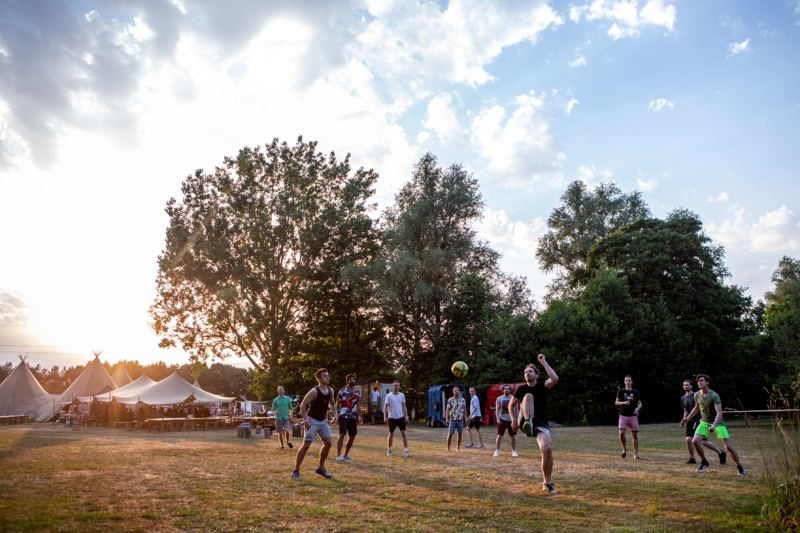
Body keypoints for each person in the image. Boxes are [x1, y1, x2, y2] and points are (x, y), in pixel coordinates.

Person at [509, 354, 560, 494]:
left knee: (547, 449)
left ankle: (546, 483)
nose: (527, 373)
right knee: (528, 396)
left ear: (536, 375)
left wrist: (543, 362)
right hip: (524, 419)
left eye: (530, 371)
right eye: (525, 372)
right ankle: (528, 424)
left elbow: (555, 379)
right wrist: (513, 419)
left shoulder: (541, 386)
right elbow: (511, 405)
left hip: (540, 421)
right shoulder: (521, 389)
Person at [681, 374, 745, 475]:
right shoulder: (697, 395)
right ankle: (704, 462)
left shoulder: (714, 395)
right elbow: (697, 407)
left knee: (728, 446)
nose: (699, 382)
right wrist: (688, 418)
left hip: (718, 423)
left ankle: (739, 467)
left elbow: (719, 413)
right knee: (695, 441)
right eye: (698, 381)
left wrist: (714, 425)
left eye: (701, 381)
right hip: (704, 422)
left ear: (707, 382)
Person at [291, 368, 337, 481]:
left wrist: (335, 414)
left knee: (328, 443)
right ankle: (295, 471)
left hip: (323, 421)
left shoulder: (331, 391)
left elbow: (333, 404)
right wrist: (306, 420)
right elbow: (302, 406)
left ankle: (320, 468)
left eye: (328, 375)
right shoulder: (314, 391)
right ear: (319, 379)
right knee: (306, 445)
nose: (328, 377)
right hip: (312, 420)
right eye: (325, 376)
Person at [681, 379, 724, 465]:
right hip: (690, 421)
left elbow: (700, 408)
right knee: (691, 440)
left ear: (691, 386)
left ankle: (720, 453)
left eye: (687, 385)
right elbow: (685, 410)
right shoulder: (683, 398)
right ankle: (692, 458)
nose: (685, 386)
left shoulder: (696, 395)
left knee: (696, 440)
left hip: (698, 421)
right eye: (684, 385)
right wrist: (684, 419)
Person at [335, 374, 362, 461]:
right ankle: (338, 455)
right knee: (342, 434)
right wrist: (335, 415)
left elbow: (358, 405)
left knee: (352, 436)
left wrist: (361, 417)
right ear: (347, 381)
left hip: (353, 416)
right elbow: (337, 404)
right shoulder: (342, 391)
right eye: (350, 379)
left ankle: (345, 454)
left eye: (353, 379)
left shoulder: (357, 391)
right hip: (343, 415)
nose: (352, 381)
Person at [615, 375, 642, 459]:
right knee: (621, 433)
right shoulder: (621, 391)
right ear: (624, 382)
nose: (628, 382)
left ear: (632, 382)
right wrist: (623, 403)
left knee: (634, 435)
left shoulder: (635, 392)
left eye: (629, 380)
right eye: (626, 380)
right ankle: (624, 449)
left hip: (633, 416)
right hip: (623, 415)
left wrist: (637, 409)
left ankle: (636, 454)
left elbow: (640, 404)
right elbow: (616, 402)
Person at [384, 380, 410, 457]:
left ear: (399, 386)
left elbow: (404, 406)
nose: (397, 387)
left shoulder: (402, 395)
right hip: (392, 417)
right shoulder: (389, 396)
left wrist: (406, 416)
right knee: (391, 434)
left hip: (400, 417)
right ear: (392, 386)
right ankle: (389, 449)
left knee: (403, 433)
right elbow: (385, 407)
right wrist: (385, 416)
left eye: (398, 385)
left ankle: (406, 450)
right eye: (395, 385)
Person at [493, 384, 518, 457]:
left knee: (512, 436)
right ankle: (497, 451)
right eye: (505, 389)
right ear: (503, 390)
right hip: (502, 419)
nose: (507, 390)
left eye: (508, 389)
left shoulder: (513, 398)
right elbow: (497, 410)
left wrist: (517, 419)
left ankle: (514, 451)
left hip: (511, 419)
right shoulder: (499, 399)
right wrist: (497, 418)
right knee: (499, 435)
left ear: (510, 390)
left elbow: (517, 409)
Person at [445, 386, 468, 452]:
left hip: (460, 419)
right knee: (450, 434)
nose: (456, 391)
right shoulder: (450, 400)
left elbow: (464, 409)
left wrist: (466, 417)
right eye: (455, 390)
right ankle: (448, 448)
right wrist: (447, 418)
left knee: (460, 434)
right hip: (453, 419)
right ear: (453, 392)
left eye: (457, 390)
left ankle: (457, 448)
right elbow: (447, 409)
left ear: (459, 391)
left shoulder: (462, 400)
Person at [271, 386, 294, 450]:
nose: (281, 390)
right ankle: (282, 445)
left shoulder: (287, 399)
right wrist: (275, 412)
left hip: (286, 417)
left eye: (282, 389)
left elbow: (291, 408)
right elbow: (272, 409)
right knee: (280, 433)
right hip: (278, 418)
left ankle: (288, 441)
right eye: (280, 389)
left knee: (287, 430)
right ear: (278, 391)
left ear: (284, 391)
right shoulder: (275, 400)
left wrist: (291, 415)